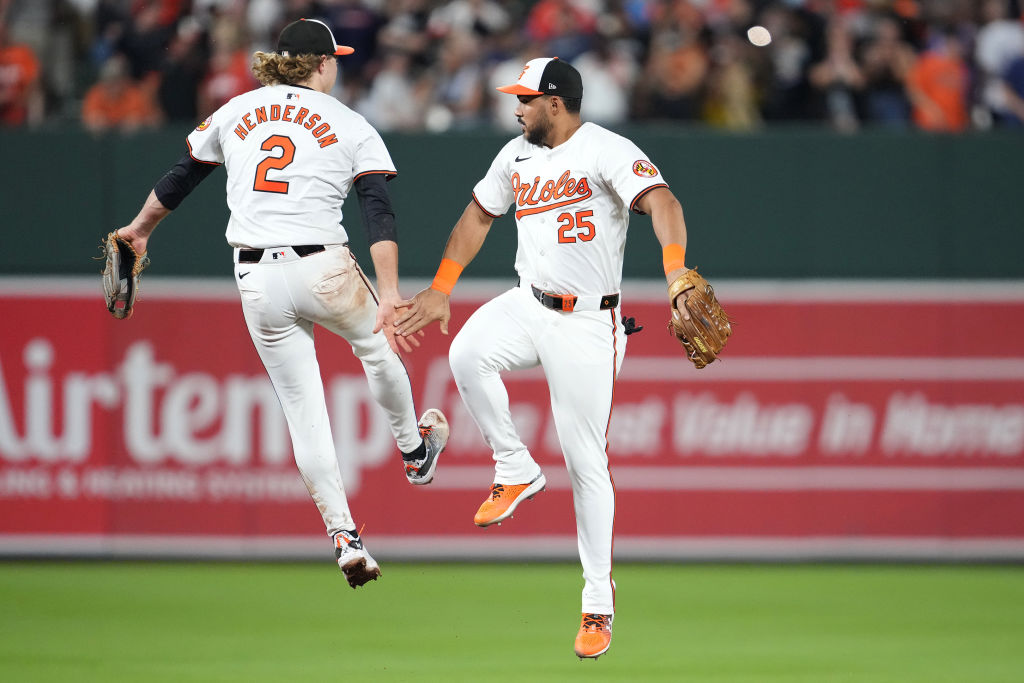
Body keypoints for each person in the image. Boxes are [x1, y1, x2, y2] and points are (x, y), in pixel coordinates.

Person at [112, 18, 449, 588]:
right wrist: (390, 291)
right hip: (323, 265)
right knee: (378, 348)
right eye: (335, 59)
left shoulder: (236, 110)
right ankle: (415, 453)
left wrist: (140, 229)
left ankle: (344, 536)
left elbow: (181, 177)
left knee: (302, 409)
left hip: (256, 278)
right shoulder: (350, 122)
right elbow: (377, 210)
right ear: (322, 63)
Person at [393, 57, 696, 659]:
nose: (516, 109)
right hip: (529, 303)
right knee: (467, 352)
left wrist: (675, 271)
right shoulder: (516, 156)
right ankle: (514, 466)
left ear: (555, 103)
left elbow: (664, 203)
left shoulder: (606, 149)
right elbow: (478, 215)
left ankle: (597, 603)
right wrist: (441, 287)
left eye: (525, 99)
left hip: (588, 320)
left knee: (586, 462)